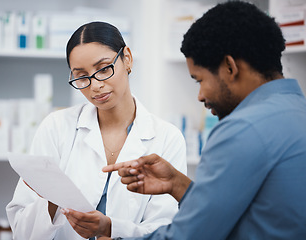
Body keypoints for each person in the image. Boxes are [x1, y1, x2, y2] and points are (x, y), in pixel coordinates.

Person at [102, 1, 306, 239]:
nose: (200, 96)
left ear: (230, 67)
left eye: (199, 80)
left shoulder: (242, 129)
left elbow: (191, 235)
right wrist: (178, 184)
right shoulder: (296, 111)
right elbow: (252, 213)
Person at [6, 21, 187, 240]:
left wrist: (111, 229)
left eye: (103, 69)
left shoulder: (167, 138)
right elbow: (21, 231)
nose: (95, 85)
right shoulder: (56, 128)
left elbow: (165, 229)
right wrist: (52, 200)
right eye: (81, 76)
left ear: (127, 58)